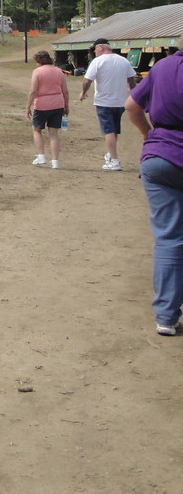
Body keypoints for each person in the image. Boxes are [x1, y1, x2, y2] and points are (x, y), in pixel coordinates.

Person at [125, 49, 183, 336]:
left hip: (162, 158)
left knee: (169, 238)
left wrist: (150, 137)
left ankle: (166, 317)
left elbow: (131, 106)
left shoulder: (163, 68)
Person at [79, 37, 137, 171]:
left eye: (95, 50)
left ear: (100, 48)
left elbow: (87, 80)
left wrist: (83, 92)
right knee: (114, 129)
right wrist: (135, 95)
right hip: (121, 102)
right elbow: (132, 81)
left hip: (104, 101)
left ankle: (115, 161)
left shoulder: (98, 61)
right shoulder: (123, 60)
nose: (95, 52)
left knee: (108, 130)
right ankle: (111, 155)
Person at [26, 50, 69, 170]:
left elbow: (33, 90)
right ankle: (55, 161)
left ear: (38, 61)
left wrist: (28, 105)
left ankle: (41, 156)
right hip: (57, 103)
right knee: (54, 133)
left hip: (42, 104)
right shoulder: (59, 71)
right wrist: (66, 105)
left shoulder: (37, 72)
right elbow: (65, 91)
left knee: (37, 129)